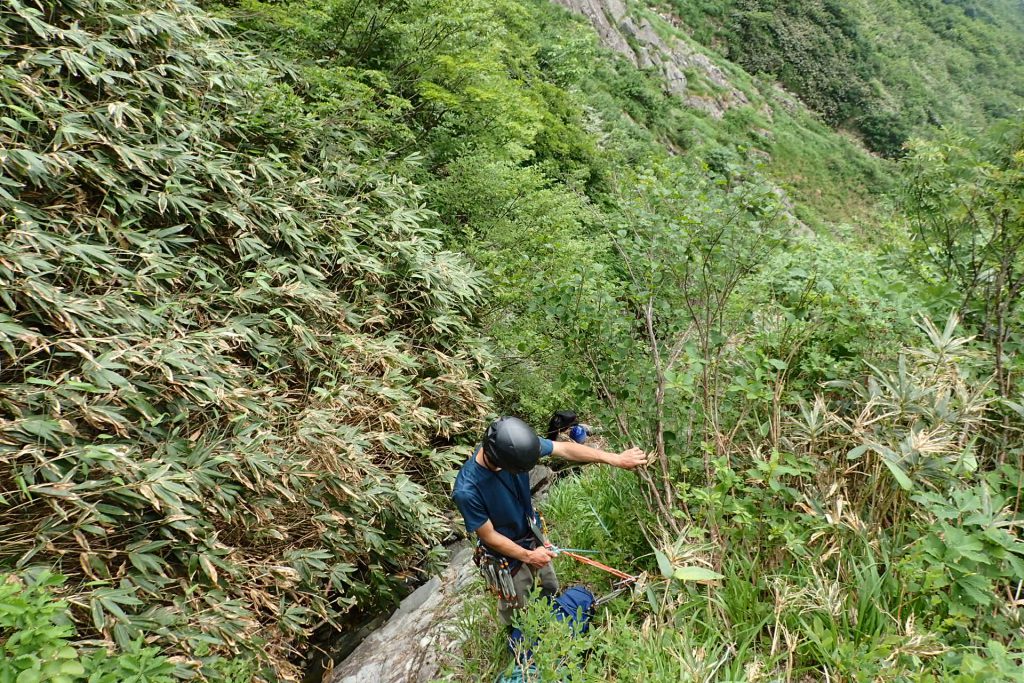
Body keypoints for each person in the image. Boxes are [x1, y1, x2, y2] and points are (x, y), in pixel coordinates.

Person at [452, 415, 646, 626]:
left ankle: (551, 621)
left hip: (532, 532)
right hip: (506, 554)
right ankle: (520, 640)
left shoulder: (516, 445)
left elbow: (564, 449)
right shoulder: (467, 490)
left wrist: (614, 458)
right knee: (517, 607)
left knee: (550, 585)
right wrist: (528, 556)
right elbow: (489, 535)